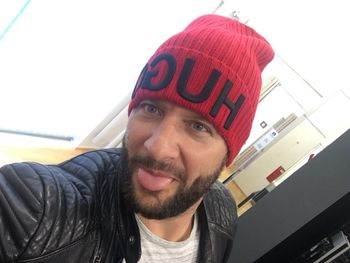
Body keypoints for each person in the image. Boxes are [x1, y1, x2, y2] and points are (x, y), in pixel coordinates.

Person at [0, 14, 274, 263]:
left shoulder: (222, 214)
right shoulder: (37, 206)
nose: (157, 146)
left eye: (198, 127)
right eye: (152, 109)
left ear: (228, 155)